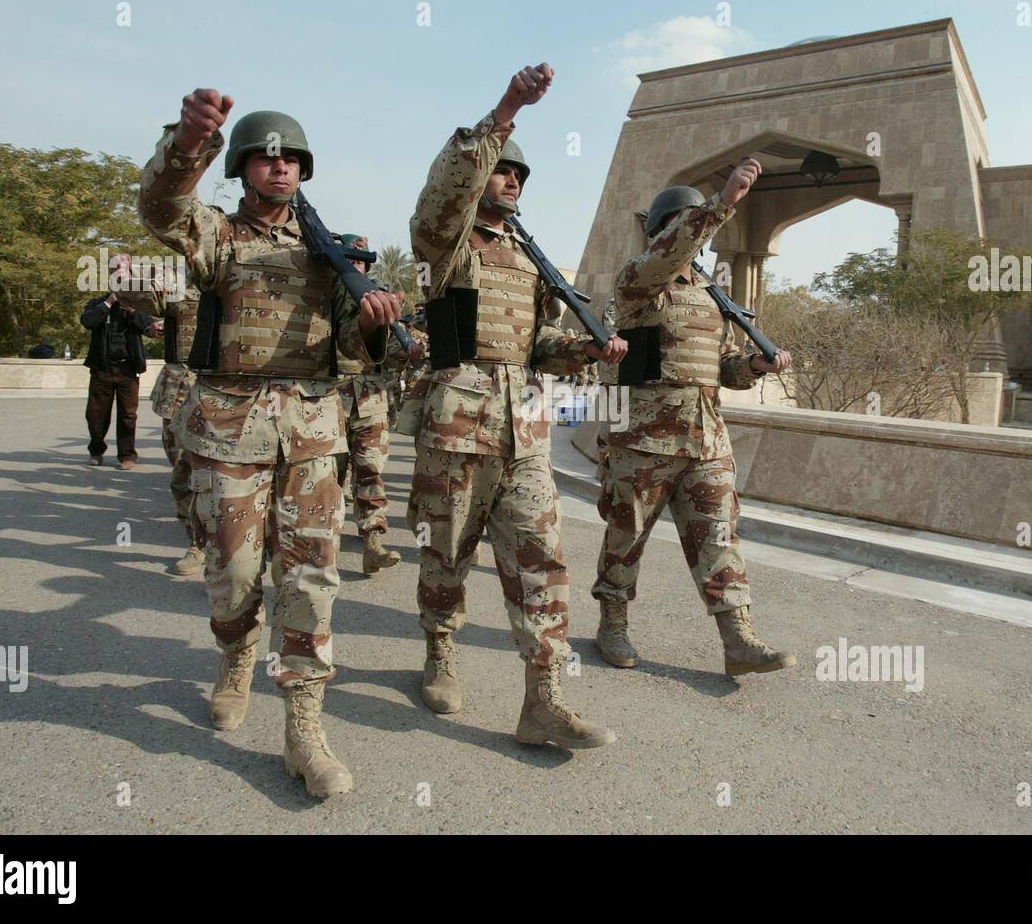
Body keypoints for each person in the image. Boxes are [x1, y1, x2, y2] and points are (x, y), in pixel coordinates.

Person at [138, 88, 400, 798]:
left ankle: (304, 728)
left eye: (291, 161)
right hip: (230, 428)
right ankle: (234, 654)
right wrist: (189, 143)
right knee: (231, 575)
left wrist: (372, 320)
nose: (279, 169)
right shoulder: (219, 236)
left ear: (303, 171)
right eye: (265, 158)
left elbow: (349, 346)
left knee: (312, 578)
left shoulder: (331, 252)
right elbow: (161, 210)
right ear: (244, 167)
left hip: (313, 429)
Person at [408, 63, 627, 749]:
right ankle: (440, 648)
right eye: (501, 170)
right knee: (446, 554)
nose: (510, 180)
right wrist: (507, 108)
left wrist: (586, 352)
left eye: (518, 175)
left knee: (542, 561)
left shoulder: (531, 260)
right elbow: (444, 195)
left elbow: (537, 348)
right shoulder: (442, 246)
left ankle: (544, 699)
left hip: (526, 429)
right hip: (457, 426)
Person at [591, 163, 797, 676]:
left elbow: (722, 365)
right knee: (626, 535)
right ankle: (612, 625)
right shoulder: (639, 281)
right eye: (689, 222)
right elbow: (674, 248)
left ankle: (737, 638)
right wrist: (721, 203)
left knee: (719, 535)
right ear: (665, 230)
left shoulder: (709, 295)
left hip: (706, 438)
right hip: (644, 439)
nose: (699, 232)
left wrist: (752, 365)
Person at [333, 234, 415, 574]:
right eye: (350, 260)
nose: (356, 266)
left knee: (370, 470)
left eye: (361, 261)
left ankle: (373, 542)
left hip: (369, 399)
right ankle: (317, 542)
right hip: (329, 397)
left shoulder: (381, 302)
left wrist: (408, 352)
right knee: (326, 476)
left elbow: (393, 354)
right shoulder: (327, 297)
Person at [80, 255, 160, 468]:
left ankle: (127, 456)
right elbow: (88, 321)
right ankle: (96, 451)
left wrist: (132, 310)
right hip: (102, 368)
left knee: (128, 416)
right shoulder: (98, 303)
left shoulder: (137, 306)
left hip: (128, 369)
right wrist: (109, 302)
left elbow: (150, 329)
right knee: (96, 415)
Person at [148, 275, 202, 575]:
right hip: (182, 387)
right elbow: (141, 301)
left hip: (236, 393)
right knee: (183, 472)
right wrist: (124, 277)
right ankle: (198, 542)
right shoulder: (178, 290)